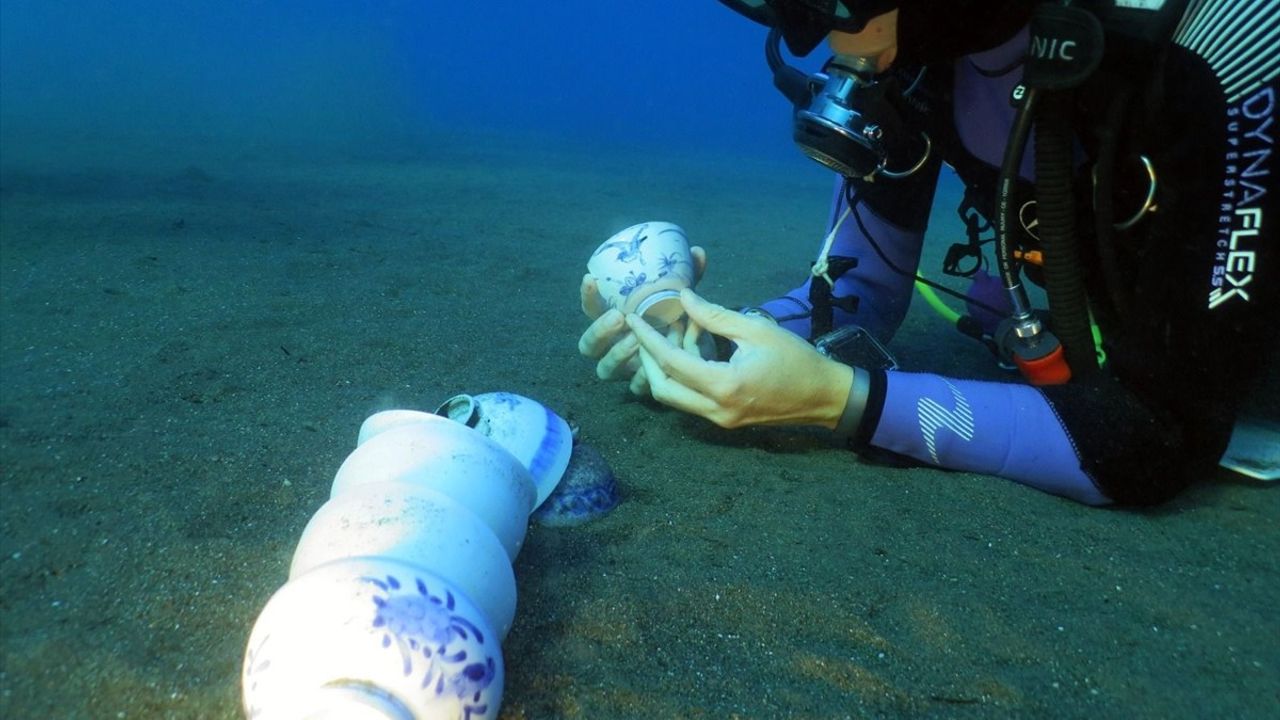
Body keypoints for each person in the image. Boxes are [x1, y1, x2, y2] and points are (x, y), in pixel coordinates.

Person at [579, 0, 1278, 506]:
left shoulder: (1229, 38)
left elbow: (1156, 433)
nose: (803, 33)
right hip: (1116, 319)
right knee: (993, 300)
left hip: (1234, 356)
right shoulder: (921, 47)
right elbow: (861, 293)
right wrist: (704, 334)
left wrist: (840, 400)